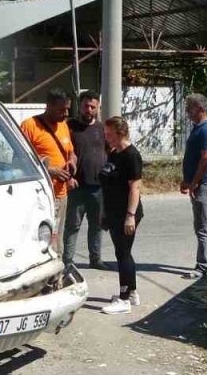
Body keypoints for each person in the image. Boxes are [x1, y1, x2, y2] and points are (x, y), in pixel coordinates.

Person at [19, 91, 76, 253]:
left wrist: (72, 161)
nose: (65, 114)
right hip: (41, 195)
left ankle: (57, 271)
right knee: (41, 240)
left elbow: (71, 152)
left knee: (57, 239)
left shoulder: (64, 126)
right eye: (61, 110)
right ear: (49, 106)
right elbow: (20, 160)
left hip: (61, 194)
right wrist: (50, 171)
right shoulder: (29, 126)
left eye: (67, 110)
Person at [99, 116, 144, 315]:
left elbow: (135, 187)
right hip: (113, 211)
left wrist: (130, 216)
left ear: (121, 133)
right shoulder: (114, 152)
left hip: (126, 213)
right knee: (123, 252)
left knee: (123, 253)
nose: (106, 138)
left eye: (109, 134)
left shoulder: (131, 155)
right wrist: (104, 212)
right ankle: (132, 293)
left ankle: (124, 300)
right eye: (105, 134)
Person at [63, 91, 106, 270]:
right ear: (79, 106)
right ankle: (67, 261)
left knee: (97, 225)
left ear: (97, 108)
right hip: (76, 186)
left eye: (92, 107)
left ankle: (95, 259)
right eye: (85, 106)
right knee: (73, 225)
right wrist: (69, 178)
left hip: (98, 187)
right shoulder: (69, 127)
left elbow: (111, 153)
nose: (88, 109)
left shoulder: (103, 129)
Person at [180, 93, 207, 279]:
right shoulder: (198, 128)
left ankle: (201, 267)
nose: (188, 112)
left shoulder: (206, 130)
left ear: (201, 109)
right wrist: (187, 180)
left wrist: (194, 183)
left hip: (203, 185)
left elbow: (206, 159)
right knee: (204, 225)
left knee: (201, 227)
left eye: (190, 108)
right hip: (197, 183)